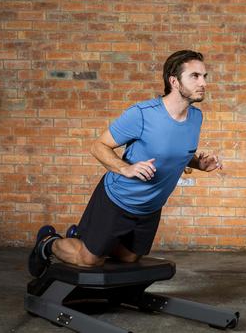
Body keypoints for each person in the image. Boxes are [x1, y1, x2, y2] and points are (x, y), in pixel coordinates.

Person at [28, 50, 222, 276]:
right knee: (89, 260)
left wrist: (200, 164)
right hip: (118, 199)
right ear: (174, 81)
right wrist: (125, 168)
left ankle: (85, 239)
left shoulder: (196, 118)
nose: (203, 83)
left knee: (129, 257)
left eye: (204, 76)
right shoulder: (142, 114)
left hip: (150, 206)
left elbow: (175, 151)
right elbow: (99, 146)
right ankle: (48, 243)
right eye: (195, 76)